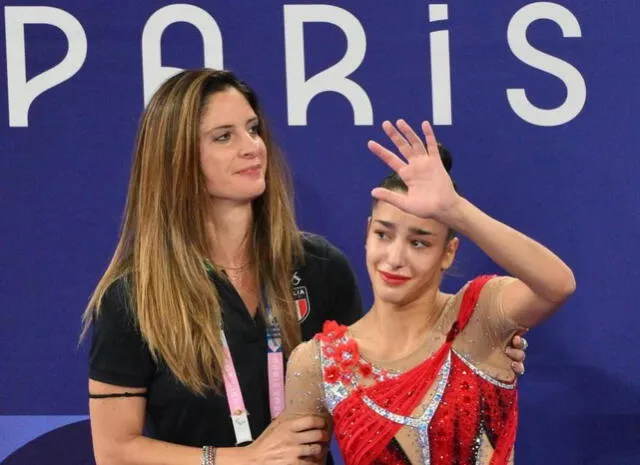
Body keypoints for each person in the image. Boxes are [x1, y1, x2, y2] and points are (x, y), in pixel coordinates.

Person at [81, 69, 528, 465]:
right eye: (224, 136)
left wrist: (472, 341)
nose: (252, 147)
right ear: (178, 161)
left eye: (252, 129)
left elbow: (382, 364)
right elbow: (115, 450)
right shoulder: (133, 298)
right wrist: (243, 460)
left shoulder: (318, 266)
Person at [285, 120, 575, 464]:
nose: (395, 258)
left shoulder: (478, 316)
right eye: (383, 234)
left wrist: (456, 211)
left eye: (419, 242)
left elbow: (557, 285)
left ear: (448, 252)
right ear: (367, 233)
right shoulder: (318, 362)